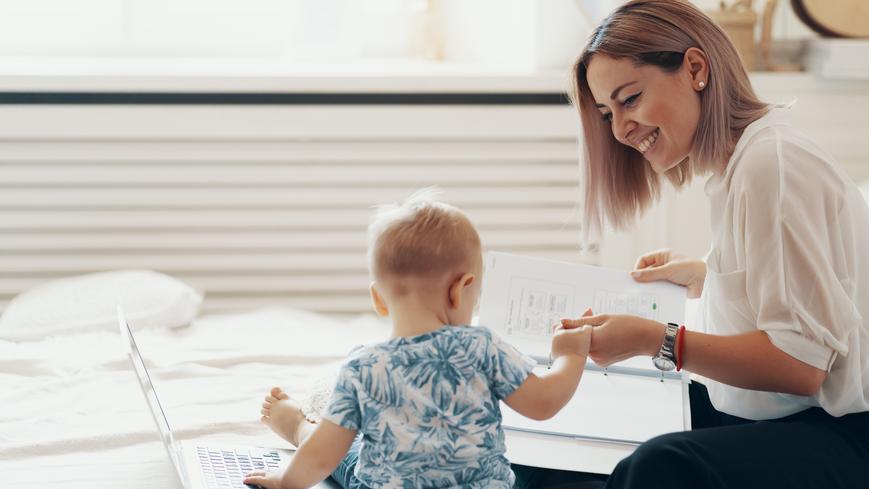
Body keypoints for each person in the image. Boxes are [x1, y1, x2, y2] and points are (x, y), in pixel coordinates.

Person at [559, 1, 869, 488]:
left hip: (842, 433)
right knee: (568, 444)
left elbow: (802, 364)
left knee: (657, 466)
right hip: (789, 415)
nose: (619, 130)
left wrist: (653, 339)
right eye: (607, 113)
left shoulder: (773, 165)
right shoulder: (739, 166)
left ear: (696, 69)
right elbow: (799, 293)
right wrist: (707, 277)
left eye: (630, 99)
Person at [243, 189, 594, 489]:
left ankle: (303, 428)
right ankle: (304, 428)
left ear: (378, 298)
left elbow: (320, 460)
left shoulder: (362, 367)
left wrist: (283, 481)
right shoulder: (483, 347)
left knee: (345, 449)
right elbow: (544, 402)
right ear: (461, 290)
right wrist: (571, 355)